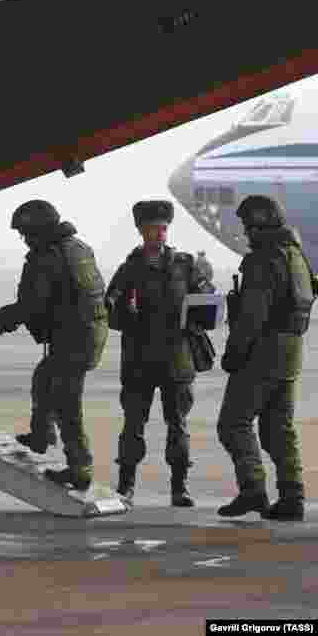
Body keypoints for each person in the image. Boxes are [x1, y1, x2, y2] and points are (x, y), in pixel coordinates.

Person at [104, 200, 214, 507]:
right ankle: (126, 486)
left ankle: (180, 488)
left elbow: (207, 301)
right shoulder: (129, 268)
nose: (159, 234)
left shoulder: (185, 264)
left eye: (163, 229)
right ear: (142, 231)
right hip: (139, 357)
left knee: (177, 425)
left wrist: (203, 301)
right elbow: (110, 311)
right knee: (133, 425)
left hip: (177, 358)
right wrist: (124, 311)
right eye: (153, 229)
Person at [0, 200, 108, 490]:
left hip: (73, 337)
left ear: (39, 230)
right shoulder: (80, 248)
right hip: (88, 332)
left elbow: (34, 302)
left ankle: (80, 468)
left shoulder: (47, 256)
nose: (25, 240)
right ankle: (41, 436)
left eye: (27, 233)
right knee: (44, 377)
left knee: (66, 402)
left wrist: (8, 317)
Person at [217, 195, 312, 521]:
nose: (246, 233)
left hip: (263, 352)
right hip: (291, 352)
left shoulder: (264, 260)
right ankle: (292, 497)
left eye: (248, 227)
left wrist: (234, 353)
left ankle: (253, 490)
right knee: (278, 428)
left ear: (259, 225)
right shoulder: (296, 255)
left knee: (233, 423)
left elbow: (252, 317)